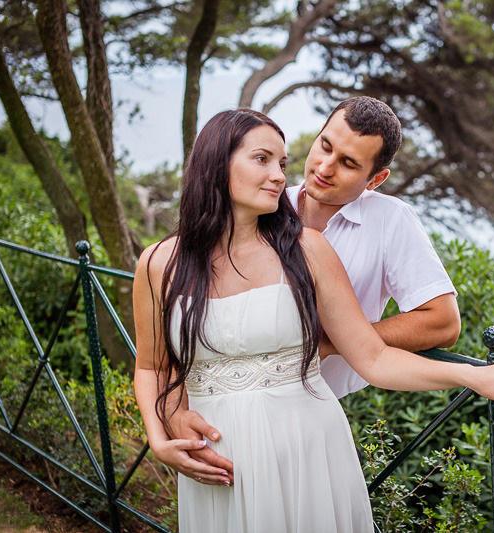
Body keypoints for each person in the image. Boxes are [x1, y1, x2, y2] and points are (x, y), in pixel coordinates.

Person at [132, 108, 494, 532]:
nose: (281, 175)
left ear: (374, 178)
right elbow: (152, 366)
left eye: (281, 163)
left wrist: (472, 377)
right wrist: (161, 434)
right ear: (216, 161)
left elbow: (374, 357)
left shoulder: (306, 249)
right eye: (263, 160)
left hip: (306, 444)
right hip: (217, 456)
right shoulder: (157, 263)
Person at [166, 97, 462, 483]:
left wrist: (332, 340)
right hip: (224, 416)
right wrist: (174, 413)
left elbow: (443, 323)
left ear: (376, 179)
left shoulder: (392, 221)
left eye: (348, 163)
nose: (324, 168)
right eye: (325, 146)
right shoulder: (265, 201)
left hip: (327, 413)